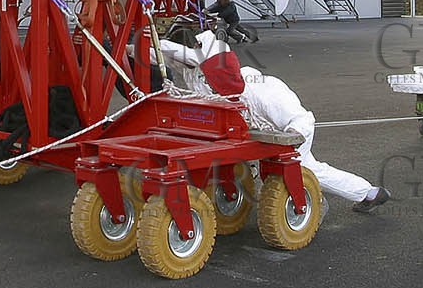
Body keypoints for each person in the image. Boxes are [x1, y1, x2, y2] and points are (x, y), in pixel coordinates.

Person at [163, 30, 391, 213]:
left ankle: (362, 194)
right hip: (253, 132)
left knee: (305, 169)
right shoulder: (194, 72)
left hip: (287, 130)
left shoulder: (262, 89)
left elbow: (300, 120)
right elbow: (164, 55)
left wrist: (290, 140)